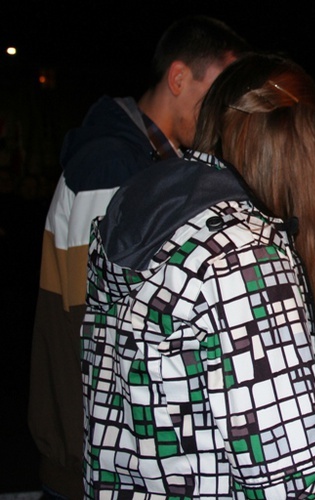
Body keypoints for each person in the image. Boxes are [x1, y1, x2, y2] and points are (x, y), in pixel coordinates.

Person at [80, 53, 315, 497]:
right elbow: (294, 483)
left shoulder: (138, 212)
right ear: (299, 146)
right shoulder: (247, 251)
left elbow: (167, 396)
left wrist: (297, 414)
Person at [28, 16, 249, 498]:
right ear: (178, 78)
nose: (228, 112)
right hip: (92, 460)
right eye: (221, 92)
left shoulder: (152, 165)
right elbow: (101, 323)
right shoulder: (111, 165)